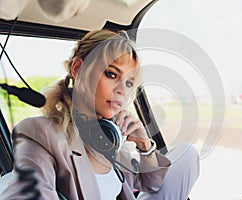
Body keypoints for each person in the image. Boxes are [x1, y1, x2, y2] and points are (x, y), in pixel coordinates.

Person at [0, 29, 199, 200]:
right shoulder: (40, 133)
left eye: (129, 83)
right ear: (78, 69)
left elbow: (152, 185)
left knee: (187, 153)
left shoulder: (110, 136)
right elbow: (26, 190)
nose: (122, 90)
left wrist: (144, 146)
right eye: (112, 74)